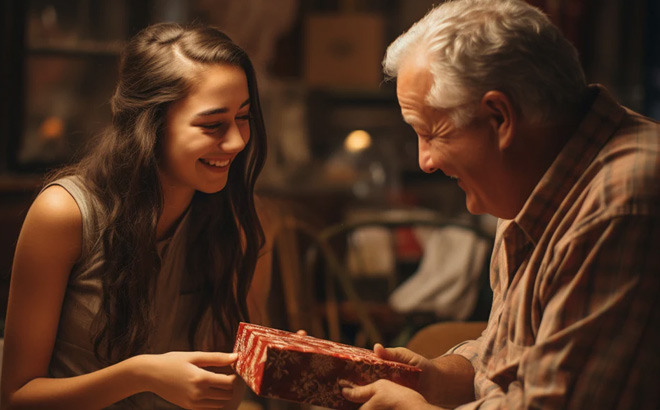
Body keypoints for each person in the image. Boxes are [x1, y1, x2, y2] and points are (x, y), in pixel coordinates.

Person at [339, 0, 660, 409]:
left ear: (499, 118)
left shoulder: (622, 202)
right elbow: (505, 358)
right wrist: (434, 380)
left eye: (432, 132)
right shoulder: (532, 176)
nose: (425, 160)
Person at [1, 22, 272, 409]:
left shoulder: (228, 214)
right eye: (213, 124)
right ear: (151, 125)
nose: (237, 141)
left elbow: (218, 378)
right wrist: (140, 374)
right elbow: (16, 398)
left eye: (243, 117)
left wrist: (272, 361)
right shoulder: (64, 214)